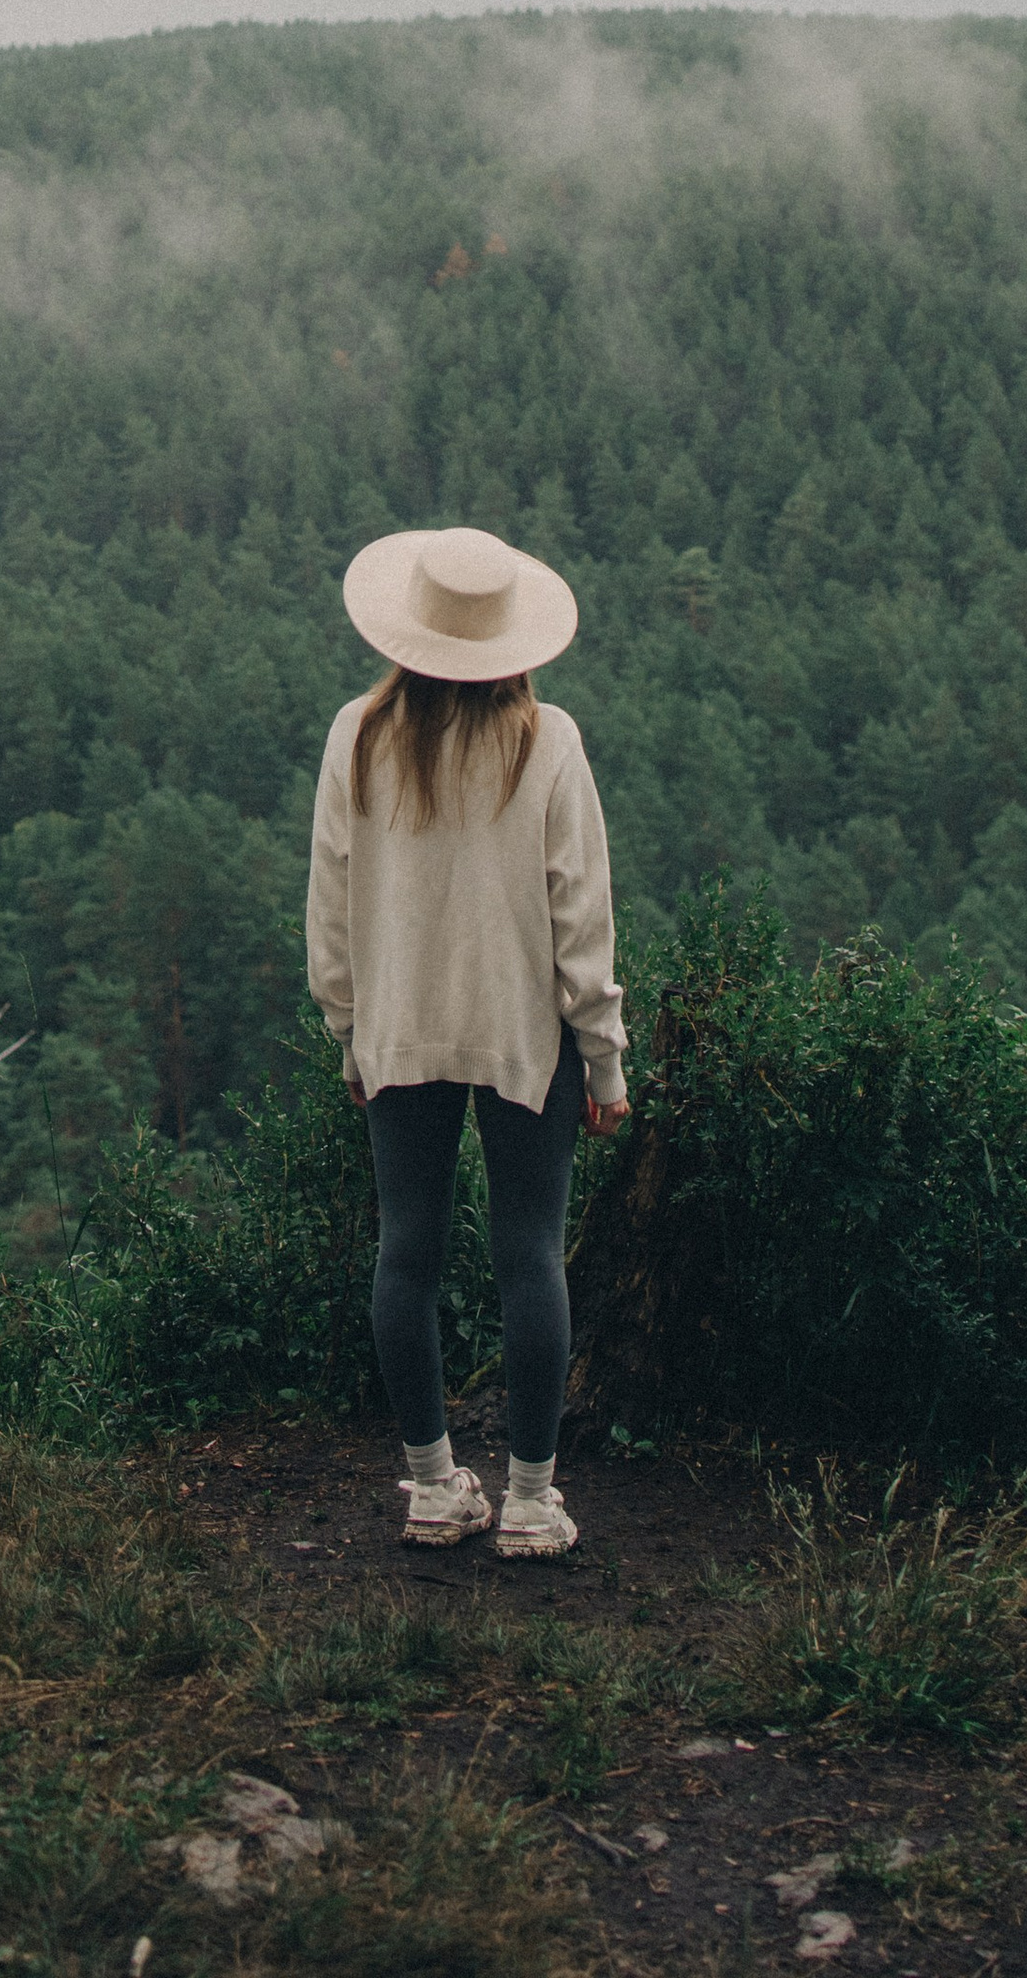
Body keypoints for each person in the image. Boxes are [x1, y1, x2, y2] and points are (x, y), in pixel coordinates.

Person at [305, 521, 627, 1558]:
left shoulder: (358, 734)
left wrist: (349, 1032)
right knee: (529, 1255)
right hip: (525, 1030)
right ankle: (531, 1499)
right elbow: (581, 918)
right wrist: (605, 1060)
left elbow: (331, 908)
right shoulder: (547, 741)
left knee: (407, 1253)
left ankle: (434, 1485)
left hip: (401, 1027)